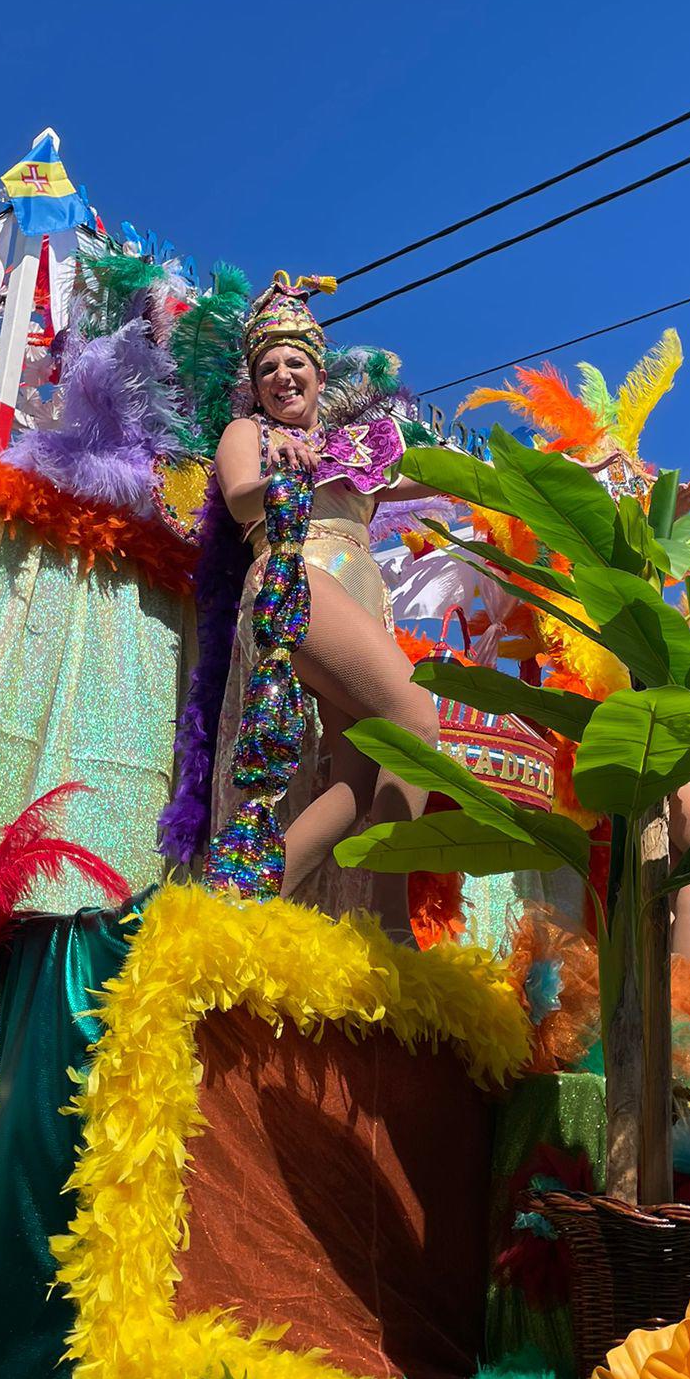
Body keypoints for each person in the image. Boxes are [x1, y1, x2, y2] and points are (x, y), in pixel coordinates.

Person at [212, 273, 440, 934]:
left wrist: (553, 471)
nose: (282, 377)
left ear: (319, 374)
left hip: (359, 594)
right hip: (295, 574)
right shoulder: (249, 434)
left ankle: (243, 910)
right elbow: (240, 500)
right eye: (268, 369)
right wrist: (284, 476)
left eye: (295, 364)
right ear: (256, 387)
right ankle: (392, 933)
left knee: (356, 781)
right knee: (413, 718)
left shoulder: (359, 449)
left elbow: (449, 477)